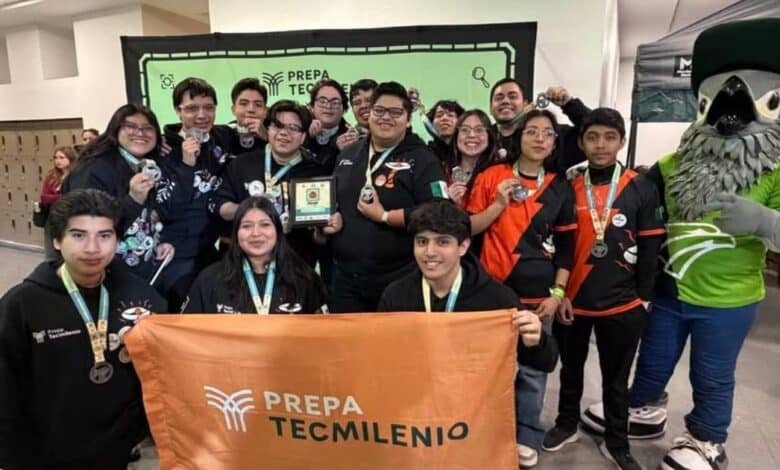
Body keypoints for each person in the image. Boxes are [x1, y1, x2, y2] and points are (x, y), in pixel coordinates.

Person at [582, 19, 780, 470]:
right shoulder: (672, 164)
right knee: (652, 357)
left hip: (728, 298)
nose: (731, 108)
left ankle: (707, 439)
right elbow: (632, 199)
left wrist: (765, 220)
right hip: (669, 291)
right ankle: (645, 409)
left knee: (711, 374)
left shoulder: (776, 169)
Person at [0, 189, 167, 469]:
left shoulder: (141, 297)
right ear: (56, 240)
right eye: (78, 235)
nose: (93, 248)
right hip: (45, 453)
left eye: (104, 235)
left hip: (116, 451)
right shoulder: (22, 304)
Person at [543, 108, 665, 470]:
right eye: (592, 137)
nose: (600, 145)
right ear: (581, 142)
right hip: (573, 302)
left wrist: (643, 298)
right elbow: (559, 247)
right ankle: (567, 424)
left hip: (622, 304)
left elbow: (650, 249)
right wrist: (559, 293)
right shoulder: (566, 185)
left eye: (609, 137)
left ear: (621, 142)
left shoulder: (641, 187)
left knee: (616, 378)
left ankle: (617, 441)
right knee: (570, 369)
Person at [466, 109, 576, 468]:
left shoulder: (560, 186)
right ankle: (480, 432)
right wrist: (499, 202)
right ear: (519, 137)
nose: (540, 138)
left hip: (538, 299)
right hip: (490, 294)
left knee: (532, 371)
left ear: (555, 142)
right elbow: (469, 229)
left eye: (548, 133)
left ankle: (526, 433)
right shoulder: (491, 177)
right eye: (532, 131)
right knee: (485, 369)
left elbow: (567, 247)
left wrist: (557, 294)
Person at [378, 199, 558, 375]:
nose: (430, 252)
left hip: (472, 402)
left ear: (463, 246)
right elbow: (381, 356)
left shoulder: (497, 299)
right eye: (422, 242)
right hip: (417, 398)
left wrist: (537, 340)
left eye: (442, 242)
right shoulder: (396, 296)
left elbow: (547, 362)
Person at [323, 81, 449, 313]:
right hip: (345, 280)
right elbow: (334, 202)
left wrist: (385, 216)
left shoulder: (423, 159)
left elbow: (439, 212)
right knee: (349, 348)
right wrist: (328, 222)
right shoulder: (348, 154)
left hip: (399, 278)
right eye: (379, 110)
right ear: (368, 114)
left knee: (397, 347)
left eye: (396, 112)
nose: (385, 118)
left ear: (408, 119)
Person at [63, 104, 175, 286]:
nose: (140, 133)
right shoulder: (93, 169)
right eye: (130, 126)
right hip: (104, 274)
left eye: (147, 128)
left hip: (141, 273)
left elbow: (151, 215)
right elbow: (86, 225)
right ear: (115, 130)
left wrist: (161, 241)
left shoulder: (148, 165)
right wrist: (133, 199)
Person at [212, 99, 327, 266]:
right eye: (277, 125)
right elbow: (220, 207)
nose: (283, 133)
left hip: (296, 264)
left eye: (293, 128)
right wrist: (253, 210)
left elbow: (319, 236)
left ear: (303, 137)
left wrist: (324, 229)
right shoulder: (241, 164)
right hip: (245, 263)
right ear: (268, 129)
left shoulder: (315, 172)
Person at [158, 77, 238, 308]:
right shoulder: (162, 150)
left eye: (209, 108)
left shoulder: (221, 138)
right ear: (177, 111)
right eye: (192, 108)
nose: (202, 115)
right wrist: (186, 165)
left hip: (208, 251)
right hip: (173, 253)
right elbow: (167, 209)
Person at [185, 196, 327, 314]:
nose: (256, 233)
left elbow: (322, 336)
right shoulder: (209, 280)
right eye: (246, 226)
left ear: (277, 231)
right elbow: (188, 334)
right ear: (236, 233)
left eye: (265, 224)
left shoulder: (304, 279)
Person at [489, 80, 589, 174]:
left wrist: (569, 104)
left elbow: (596, 131)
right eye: (499, 98)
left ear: (526, 105)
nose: (505, 101)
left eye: (512, 96)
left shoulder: (554, 136)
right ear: (490, 107)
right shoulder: (482, 139)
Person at [444, 109, 498, 209]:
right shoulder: (442, 171)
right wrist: (447, 201)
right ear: (456, 136)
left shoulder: (498, 174)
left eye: (479, 130)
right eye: (465, 130)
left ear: (489, 136)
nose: (472, 135)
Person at [305, 79, 350, 173]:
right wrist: (306, 138)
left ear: (344, 109)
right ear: (312, 106)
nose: (328, 106)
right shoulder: (299, 133)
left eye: (335, 102)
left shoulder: (350, 137)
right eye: (322, 101)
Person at [39, 146, 77, 259]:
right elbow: (44, 197)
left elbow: (75, 197)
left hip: (71, 215)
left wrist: (55, 197)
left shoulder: (76, 175)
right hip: (52, 215)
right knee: (51, 247)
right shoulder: (51, 175)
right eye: (55, 158)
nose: (58, 161)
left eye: (62, 157)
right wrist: (62, 197)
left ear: (70, 158)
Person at [227, 77, 268, 152]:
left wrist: (267, 138)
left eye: (258, 105)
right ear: (233, 110)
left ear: (265, 111)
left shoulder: (277, 136)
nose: (251, 109)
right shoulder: (223, 135)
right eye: (244, 104)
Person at [425, 99, 464, 163]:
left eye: (450, 115)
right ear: (431, 123)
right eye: (439, 115)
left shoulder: (468, 151)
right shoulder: (426, 152)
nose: (444, 118)